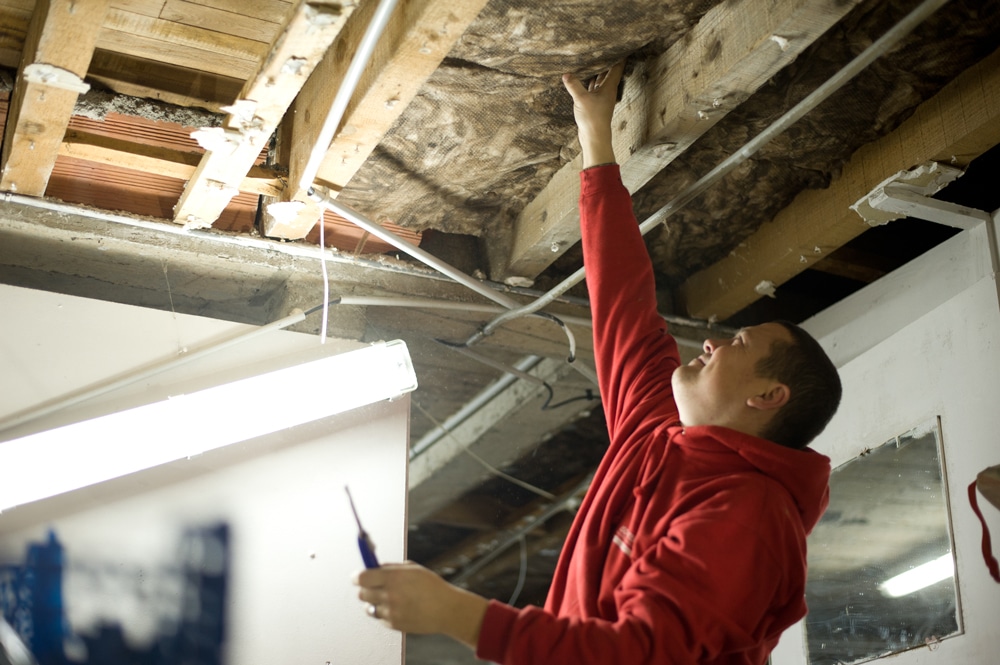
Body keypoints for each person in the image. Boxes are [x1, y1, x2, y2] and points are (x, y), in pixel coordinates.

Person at [354, 60, 842, 664]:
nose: (713, 342)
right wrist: (595, 137)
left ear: (768, 396)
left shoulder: (748, 512)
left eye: (741, 346)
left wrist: (459, 614)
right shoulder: (654, 429)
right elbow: (621, 297)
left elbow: (642, 656)